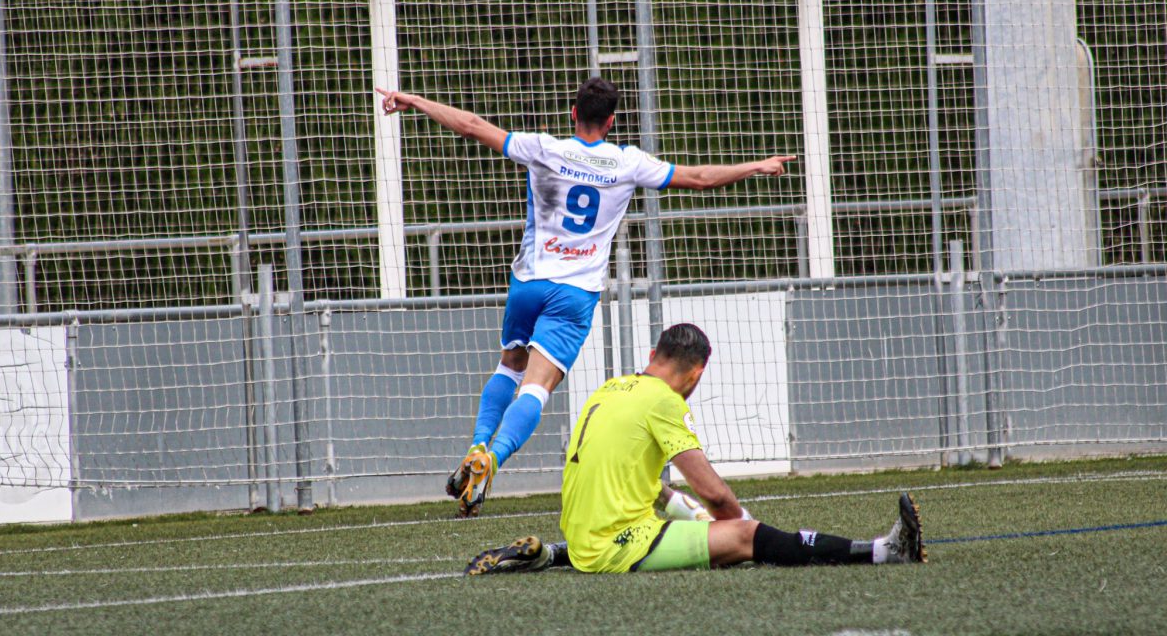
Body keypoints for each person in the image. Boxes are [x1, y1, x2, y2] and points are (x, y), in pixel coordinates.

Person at [378, 79, 795, 517]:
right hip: (574, 294)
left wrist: (416, 100)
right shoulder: (627, 162)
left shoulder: (544, 148)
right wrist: (755, 165)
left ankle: (477, 446)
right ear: (611, 121)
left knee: (509, 366)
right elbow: (698, 179)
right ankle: (493, 459)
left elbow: (470, 125)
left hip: (529, 282)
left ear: (573, 112)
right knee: (536, 389)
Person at [464, 323, 927, 575]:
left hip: (587, 532)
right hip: (618, 548)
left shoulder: (611, 388)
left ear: (652, 356)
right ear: (696, 374)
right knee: (746, 535)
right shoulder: (665, 401)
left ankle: (553, 555)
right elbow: (717, 496)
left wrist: (694, 517)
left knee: (675, 509)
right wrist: (747, 531)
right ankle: (883, 552)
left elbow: (655, 491)